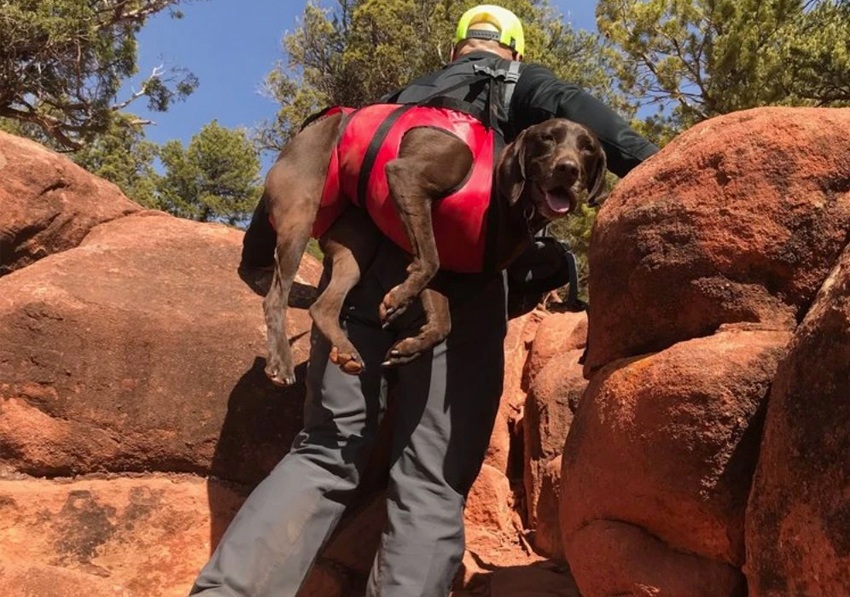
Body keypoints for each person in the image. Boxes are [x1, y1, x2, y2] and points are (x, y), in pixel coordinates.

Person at [192, 5, 658, 596]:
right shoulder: (525, 85)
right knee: (432, 480)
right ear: (511, 51)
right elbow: (603, 131)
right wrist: (663, 167)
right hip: (463, 290)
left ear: (456, 50)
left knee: (325, 451)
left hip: (362, 274)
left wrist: (258, 255)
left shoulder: (400, 101)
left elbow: (314, 157)